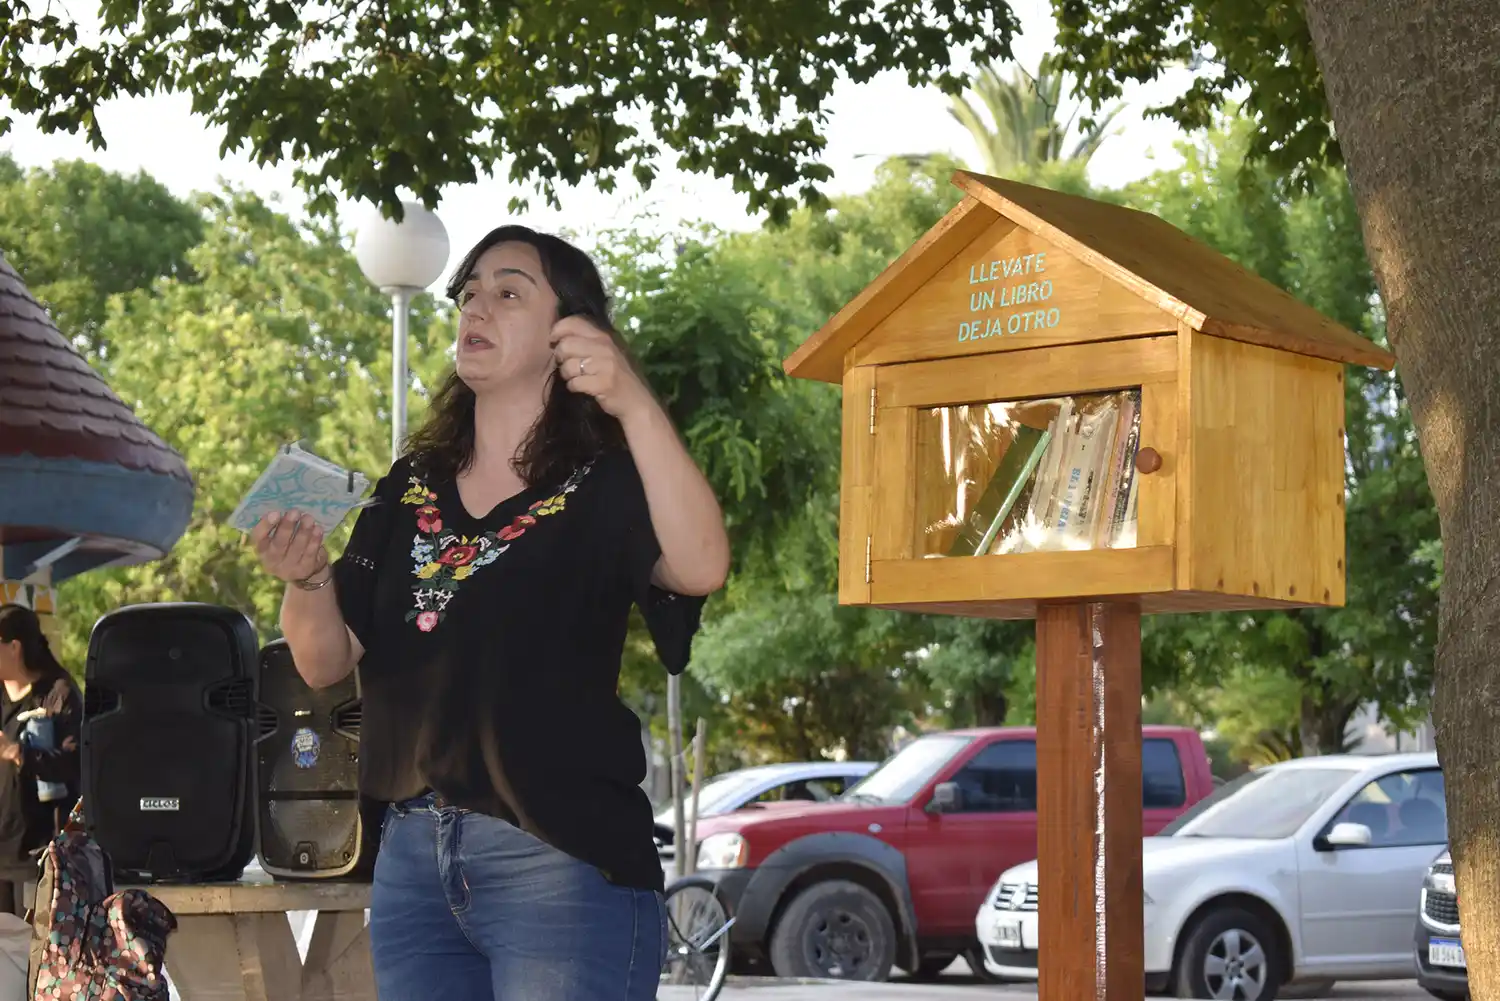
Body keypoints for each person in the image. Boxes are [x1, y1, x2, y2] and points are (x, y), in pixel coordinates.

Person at [250, 225, 730, 1000]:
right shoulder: (407, 486)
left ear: (569, 334)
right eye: (470, 291)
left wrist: (631, 400)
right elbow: (325, 661)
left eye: (509, 291)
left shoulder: (602, 482)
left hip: (560, 858)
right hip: (411, 859)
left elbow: (703, 564)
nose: (477, 304)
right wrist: (307, 578)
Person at [0, 605, 82, 915]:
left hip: (39, 854)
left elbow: (75, 763)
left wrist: (18, 753)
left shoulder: (58, 694)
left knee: (31, 952)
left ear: (13, 647)